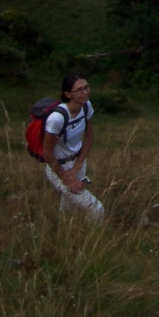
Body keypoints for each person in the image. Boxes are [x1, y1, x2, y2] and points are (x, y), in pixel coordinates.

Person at [42, 74, 104, 219]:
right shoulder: (57, 118)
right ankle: (92, 239)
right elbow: (46, 152)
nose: (85, 92)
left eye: (87, 87)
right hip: (60, 167)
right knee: (97, 209)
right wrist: (66, 177)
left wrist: (77, 166)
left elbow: (89, 136)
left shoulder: (86, 106)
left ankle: (63, 234)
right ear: (68, 94)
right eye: (79, 90)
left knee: (68, 210)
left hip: (78, 163)